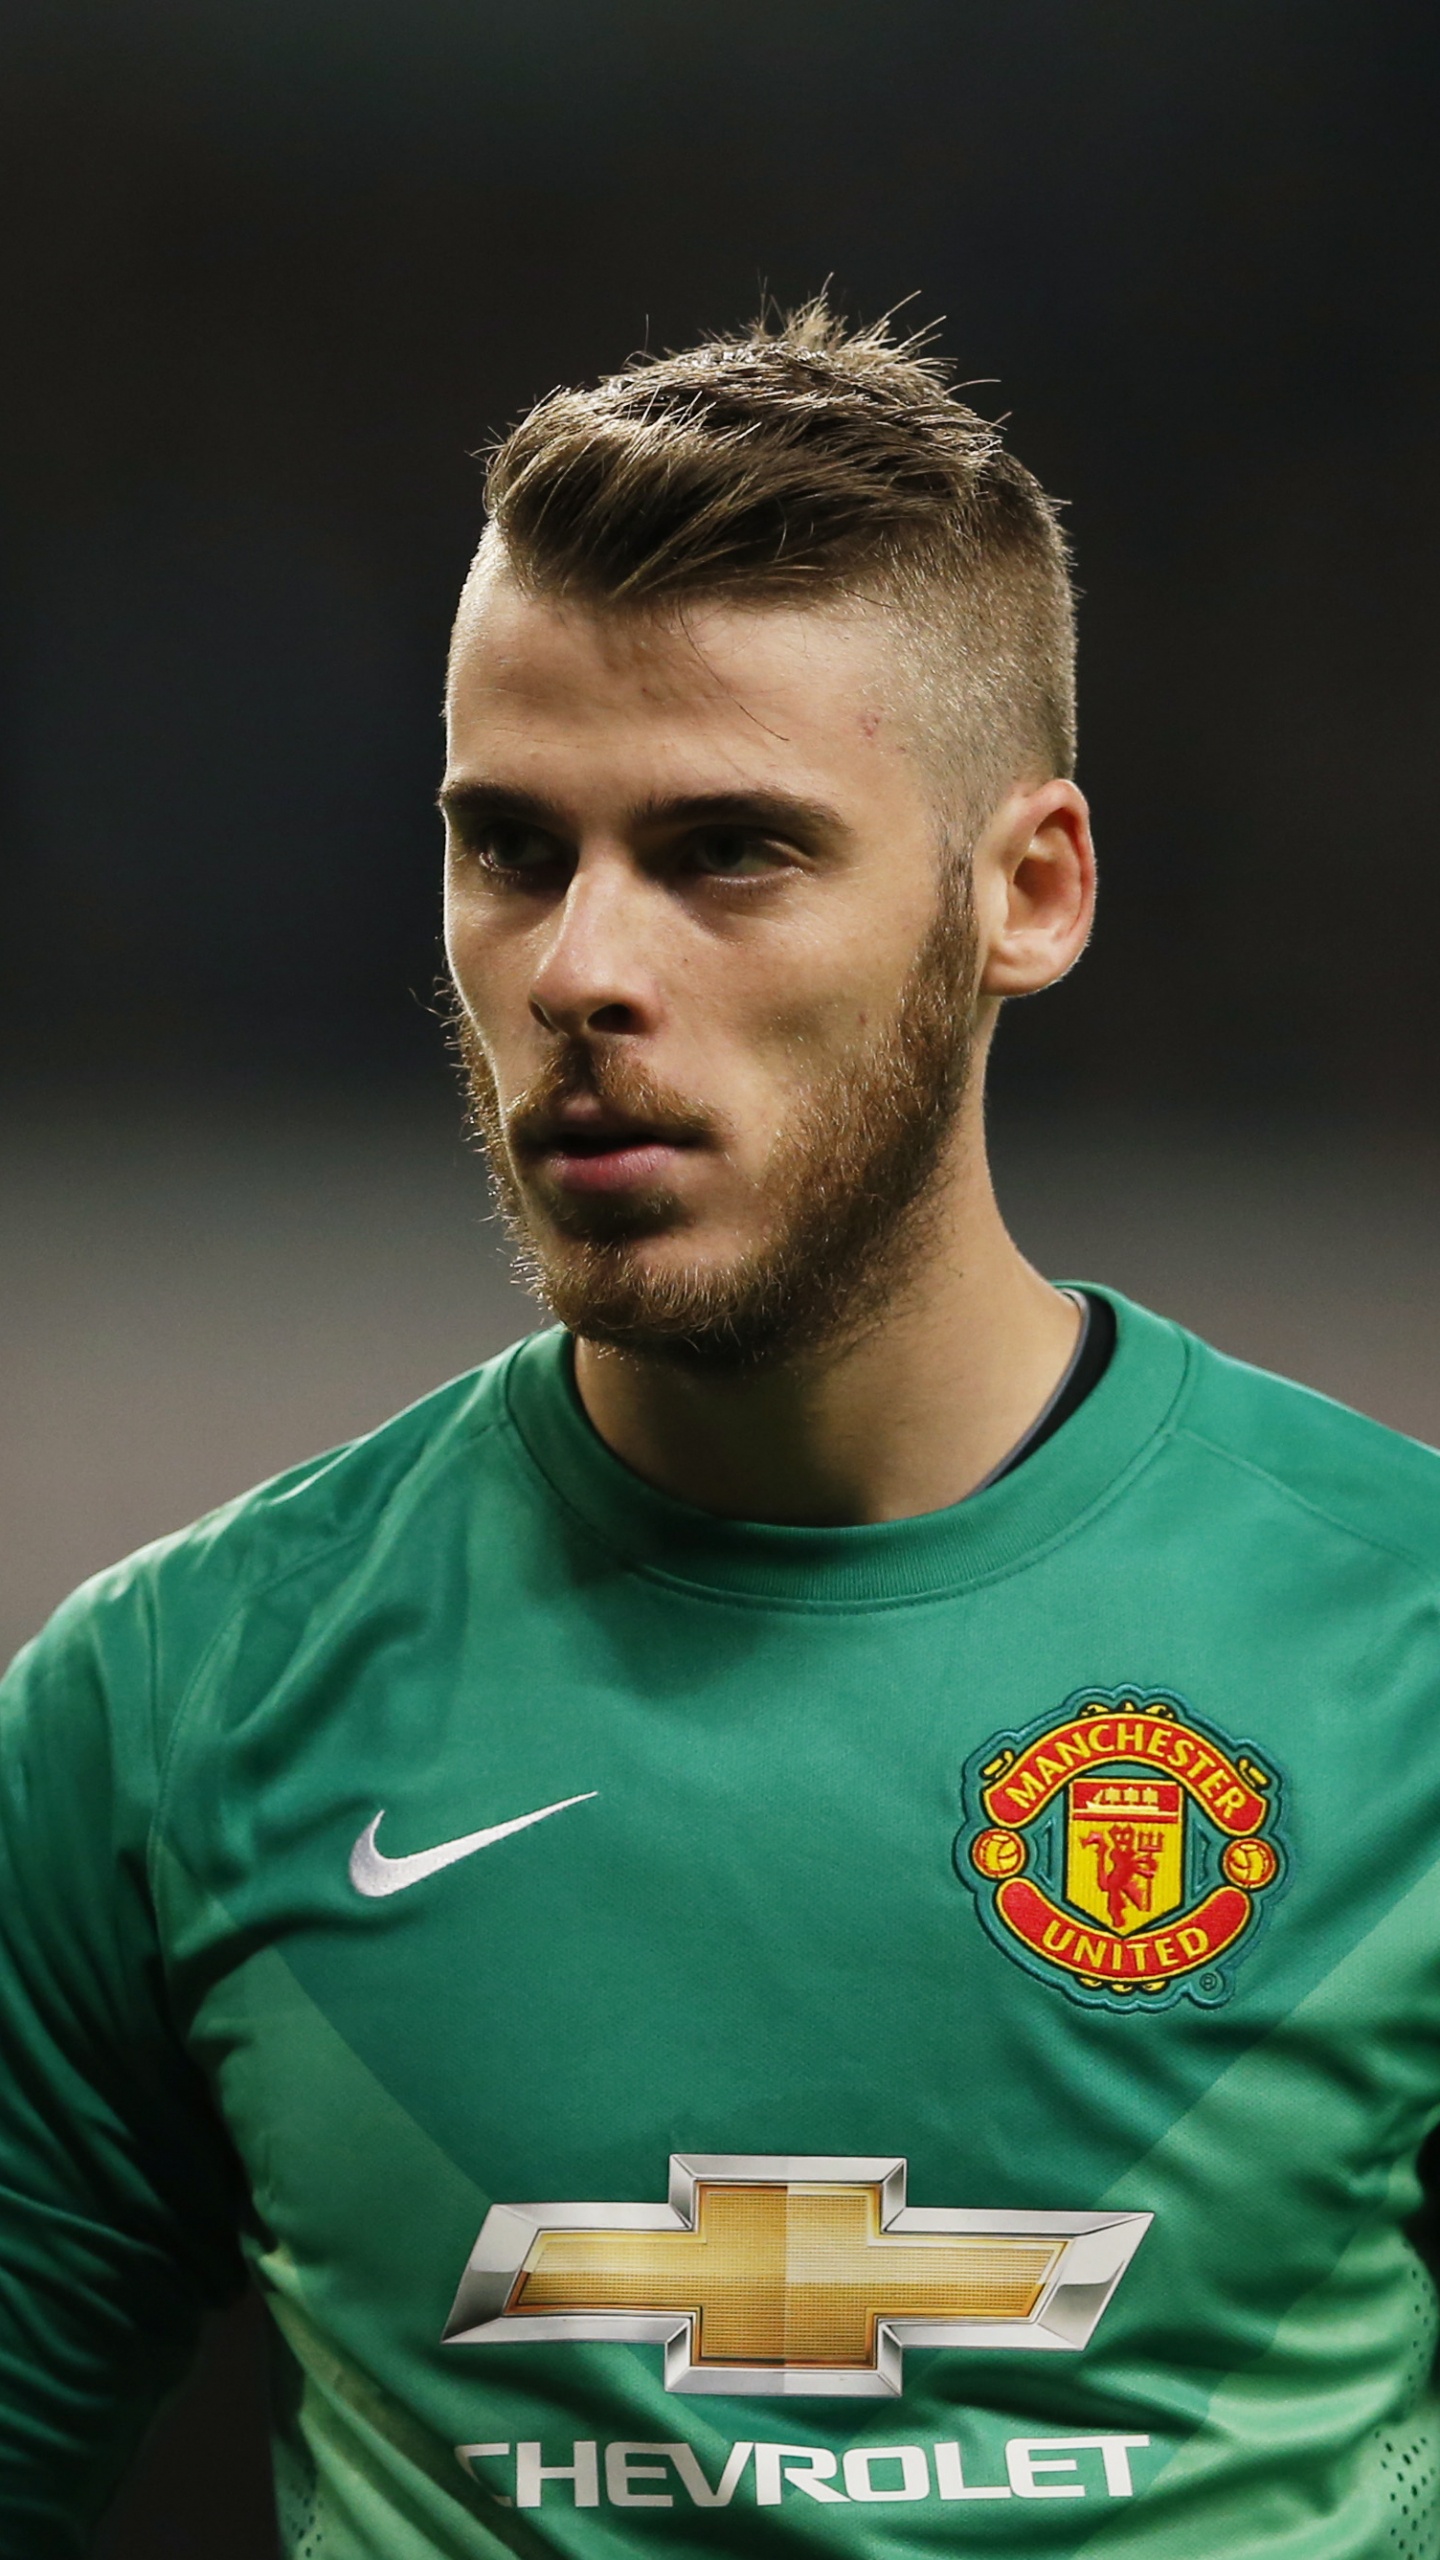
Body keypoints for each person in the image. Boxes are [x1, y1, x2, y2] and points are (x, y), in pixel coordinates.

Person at [2, 299, 1438, 2560]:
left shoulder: (1406, 1654)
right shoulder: (170, 1712)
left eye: (728, 851)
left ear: (1028, 890)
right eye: (511, 846)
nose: (581, 965)